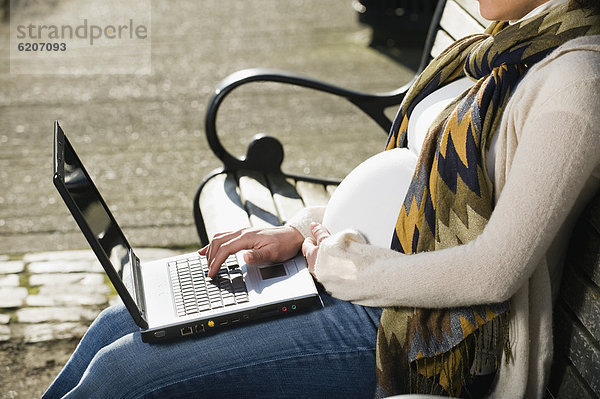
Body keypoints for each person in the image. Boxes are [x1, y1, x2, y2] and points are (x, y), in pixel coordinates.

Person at [43, 0, 600, 397]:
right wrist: (302, 230)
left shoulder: (575, 82)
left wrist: (345, 271)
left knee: (129, 373)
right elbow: (409, 189)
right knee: (119, 322)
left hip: (420, 333)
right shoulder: (510, 43)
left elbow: (494, 273)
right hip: (361, 282)